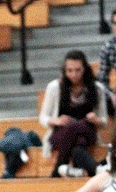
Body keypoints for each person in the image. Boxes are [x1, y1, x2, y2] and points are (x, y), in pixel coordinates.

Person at [39, 49, 108, 177]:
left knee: (81, 125)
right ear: (64, 70)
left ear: (85, 69)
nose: (74, 74)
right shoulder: (55, 87)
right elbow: (43, 117)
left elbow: (104, 121)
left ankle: (59, 168)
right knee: (77, 146)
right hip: (61, 132)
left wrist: (95, 120)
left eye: (78, 70)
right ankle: (93, 170)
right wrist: (56, 121)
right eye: (69, 70)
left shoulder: (97, 89)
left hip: (88, 131)